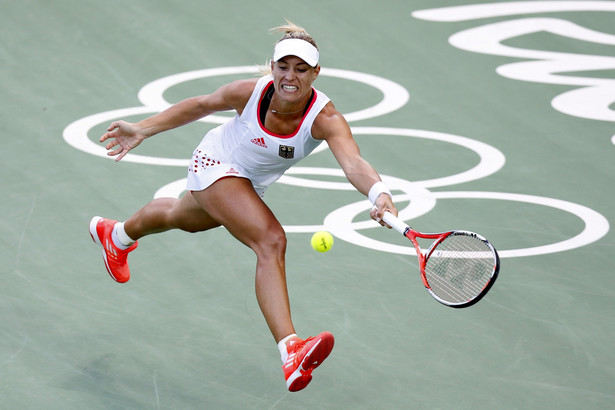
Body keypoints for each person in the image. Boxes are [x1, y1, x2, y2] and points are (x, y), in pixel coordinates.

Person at [89, 22, 398, 392]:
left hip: (250, 183)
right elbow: (199, 106)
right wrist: (143, 128)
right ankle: (291, 350)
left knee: (181, 218)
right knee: (270, 241)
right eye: (284, 67)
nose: (290, 76)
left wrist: (378, 193)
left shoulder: (325, 119)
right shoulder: (249, 93)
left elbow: (353, 162)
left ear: (316, 74)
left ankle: (117, 234)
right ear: (272, 67)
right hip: (216, 161)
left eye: (301, 69)